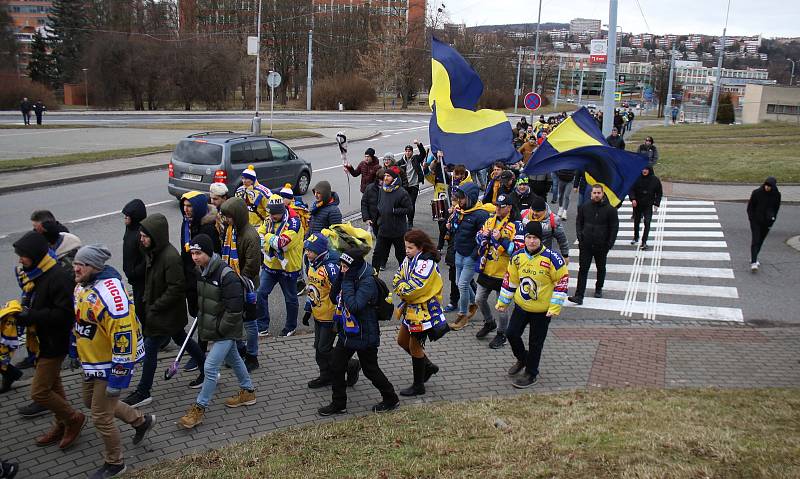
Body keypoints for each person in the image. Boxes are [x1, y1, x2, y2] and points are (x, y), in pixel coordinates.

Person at [72, 245, 154, 478]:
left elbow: (124, 338)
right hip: (91, 362)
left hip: (109, 364)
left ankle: (115, 463)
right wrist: (73, 349)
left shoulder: (110, 296)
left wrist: (118, 377)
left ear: (94, 267)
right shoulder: (82, 285)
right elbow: (80, 320)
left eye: (81, 265)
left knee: (100, 416)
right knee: (90, 402)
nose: (76, 268)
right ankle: (140, 421)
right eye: (75, 263)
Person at [10, 232, 86, 449]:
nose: (20, 260)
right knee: (54, 386)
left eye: (22, 256)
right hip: (43, 340)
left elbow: (63, 315)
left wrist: (30, 316)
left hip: (54, 343)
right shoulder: (38, 274)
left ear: (34, 255)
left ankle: (73, 419)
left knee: (40, 392)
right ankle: (61, 423)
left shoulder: (57, 277)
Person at [123, 213, 206, 408]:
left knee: (151, 348)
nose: (141, 239)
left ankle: (143, 391)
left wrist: (155, 305)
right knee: (181, 339)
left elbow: (176, 287)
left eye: (144, 236)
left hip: (165, 313)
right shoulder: (154, 252)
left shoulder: (169, 257)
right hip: (163, 312)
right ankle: (209, 370)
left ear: (156, 235)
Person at [178, 234, 256, 429]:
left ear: (209, 253)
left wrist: (221, 329)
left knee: (210, 368)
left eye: (199, 253)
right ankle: (248, 391)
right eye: (193, 253)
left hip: (227, 330)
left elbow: (234, 309)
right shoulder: (202, 271)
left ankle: (199, 408)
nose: (194, 257)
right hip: (218, 328)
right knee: (234, 359)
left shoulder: (225, 275)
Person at [318, 249, 399, 416]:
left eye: (345, 266)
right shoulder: (348, 274)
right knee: (336, 365)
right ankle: (339, 403)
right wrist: (341, 277)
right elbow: (334, 298)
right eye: (341, 265)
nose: (342, 268)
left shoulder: (367, 281)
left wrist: (346, 280)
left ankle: (391, 398)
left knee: (371, 369)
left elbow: (354, 306)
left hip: (364, 333)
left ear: (353, 266)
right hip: (348, 331)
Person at [497, 221, 568, 388]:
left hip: (542, 311)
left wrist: (554, 307)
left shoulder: (553, 258)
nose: (531, 241)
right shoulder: (517, 257)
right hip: (521, 306)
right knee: (511, 334)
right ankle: (523, 358)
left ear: (541, 239)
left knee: (535, 342)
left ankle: (531, 372)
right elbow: (511, 280)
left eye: (535, 238)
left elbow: (562, 282)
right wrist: (503, 302)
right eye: (528, 237)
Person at [302, 234, 360, 389]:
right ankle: (325, 375)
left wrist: (339, 316)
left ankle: (351, 365)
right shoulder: (312, 264)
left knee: (324, 348)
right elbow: (313, 289)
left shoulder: (330, 268)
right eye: (306, 249)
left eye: (310, 250)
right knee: (319, 348)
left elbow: (340, 292)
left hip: (330, 316)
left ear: (319, 251)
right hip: (318, 314)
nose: (307, 253)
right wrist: (308, 309)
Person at [393, 230, 447, 396]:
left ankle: (418, 386)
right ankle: (428, 366)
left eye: (410, 247)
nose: (407, 250)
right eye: (406, 247)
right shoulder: (409, 259)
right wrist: (402, 286)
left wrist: (402, 287)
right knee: (402, 341)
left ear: (420, 247)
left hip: (424, 312)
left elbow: (414, 288)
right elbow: (397, 277)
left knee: (414, 346)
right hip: (410, 310)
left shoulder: (426, 263)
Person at [219, 197, 261, 367]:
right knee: (234, 321)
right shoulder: (231, 230)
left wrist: (236, 283)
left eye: (229, 216)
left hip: (246, 286)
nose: (226, 220)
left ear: (237, 215)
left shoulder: (250, 236)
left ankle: (252, 356)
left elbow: (252, 266)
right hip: (233, 284)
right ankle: (240, 350)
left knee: (250, 324)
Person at [448, 182, 495, 330]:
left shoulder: (481, 214)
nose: (459, 201)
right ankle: (474, 302)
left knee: (462, 284)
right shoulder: (460, 211)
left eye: (461, 199)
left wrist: (474, 255)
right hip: (459, 252)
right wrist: (450, 224)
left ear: (470, 198)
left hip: (470, 256)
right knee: (459, 282)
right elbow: (455, 230)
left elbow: (483, 238)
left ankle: (463, 316)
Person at [256, 195, 303, 337]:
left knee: (290, 298)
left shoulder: (294, 223)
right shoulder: (269, 218)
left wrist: (268, 237)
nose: (271, 216)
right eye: (269, 213)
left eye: (274, 213)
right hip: (270, 265)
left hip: (288, 267)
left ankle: (290, 327)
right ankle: (262, 326)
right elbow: (259, 237)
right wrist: (271, 239)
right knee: (260, 293)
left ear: (282, 211)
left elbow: (283, 244)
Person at [474, 194, 517, 349]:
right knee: (479, 299)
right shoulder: (490, 220)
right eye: (497, 205)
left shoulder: (515, 226)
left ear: (509, 208)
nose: (497, 208)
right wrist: (482, 236)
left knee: (502, 307)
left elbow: (515, 250)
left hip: (504, 272)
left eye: (501, 206)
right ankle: (489, 322)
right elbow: (478, 237)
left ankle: (502, 333)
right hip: (487, 268)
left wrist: (501, 240)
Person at [569, 185, 619, 304]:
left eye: (599, 193)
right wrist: (580, 237)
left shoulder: (610, 210)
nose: (596, 195)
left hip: (602, 245)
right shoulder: (584, 207)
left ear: (603, 194)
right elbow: (579, 222)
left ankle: (598, 288)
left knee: (600, 268)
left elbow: (614, 228)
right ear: (591, 194)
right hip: (586, 244)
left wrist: (609, 244)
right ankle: (579, 295)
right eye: (594, 193)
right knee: (583, 270)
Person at [372, 167, 412, 272]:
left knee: (401, 255)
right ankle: (373, 278)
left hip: (397, 230)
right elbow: (379, 204)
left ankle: (405, 276)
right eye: (385, 175)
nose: (385, 178)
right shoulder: (382, 190)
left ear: (394, 178)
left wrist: (394, 210)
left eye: (388, 176)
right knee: (377, 254)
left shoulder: (401, 192)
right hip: (383, 228)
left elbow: (409, 209)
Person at [518, 196, 570, 261]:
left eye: (538, 211)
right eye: (533, 210)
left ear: (545, 210)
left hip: (544, 257)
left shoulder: (553, 220)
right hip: (524, 255)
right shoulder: (523, 214)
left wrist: (565, 255)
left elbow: (562, 239)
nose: (534, 213)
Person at [747, 177, 781, 272]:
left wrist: (772, 220)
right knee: (756, 240)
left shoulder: (776, 195)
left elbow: (776, 208)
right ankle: (753, 262)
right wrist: (751, 219)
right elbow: (750, 207)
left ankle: (754, 256)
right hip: (756, 221)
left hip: (767, 222)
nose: (767, 187)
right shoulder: (757, 193)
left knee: (761, 240)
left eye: (769, 186)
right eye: (766, 185)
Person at [121, 200, 147, 322]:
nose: (125, 219)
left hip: (141, 280)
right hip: (134, 278)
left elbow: (146, 258)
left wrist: (135, 272)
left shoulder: (140, 234)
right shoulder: (129, 229)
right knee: (138, 309)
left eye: (127, 217)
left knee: (141, 310)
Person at [629, 166, 663, 251]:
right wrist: (633, 199)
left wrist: (656, 203)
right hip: (637, 204)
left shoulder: (655, 180)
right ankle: (636, 237)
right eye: (643, 169)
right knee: (636, 221)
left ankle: (644, 241)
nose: (644, 171)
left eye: (646, 169)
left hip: (648, 204)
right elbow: (631, 190)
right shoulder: (636, 178)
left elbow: (659, 192)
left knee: (647, 222)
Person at [396, 141, 426, 228]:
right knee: (403, 204)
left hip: (414, 185)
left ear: (412, 152)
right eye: (406, 151)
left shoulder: (416, 159)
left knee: (411, 204)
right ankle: (403, 220)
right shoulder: (400, 162)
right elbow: (393, 172)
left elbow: (423, 154)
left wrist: (419, 144)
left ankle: (410, 221)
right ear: (404, 152)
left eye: (409, 151)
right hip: (404, 186)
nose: (408, 152)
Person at [361, 168, 384, 238]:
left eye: (383, 179)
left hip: (386, 221)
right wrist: (366, 218)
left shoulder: (390, 189)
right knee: (378, 237)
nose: (382, 182)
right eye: (380, 179)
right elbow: (364, 203)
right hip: (374, 220)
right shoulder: (370, 188)